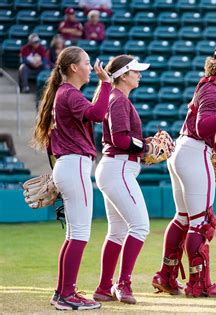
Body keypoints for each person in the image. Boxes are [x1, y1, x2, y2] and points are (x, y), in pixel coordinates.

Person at [151, 37, 216, 298]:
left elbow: (205, 129)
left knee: (183, 219)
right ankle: (199, 284)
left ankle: (166, 275)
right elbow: (203, 127)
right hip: (194, 151)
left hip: (185, 151)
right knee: (202, 223)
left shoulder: (212, 86)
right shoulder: (215, 89)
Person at [31, 46, 112, 310]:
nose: (91, 67)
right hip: (74, 165)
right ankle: (67, 295)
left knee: (74, 235)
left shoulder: (63, 93)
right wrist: (107, 84)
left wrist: (102, 86)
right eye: (87, 63)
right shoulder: (69, 93)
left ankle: (62, 292)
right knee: (79, 234)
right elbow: (99, 115)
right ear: (74, 68)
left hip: (68, 165)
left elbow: (91, 112)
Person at [92, 55, 151, 304]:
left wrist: (141, 146)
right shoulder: (118, 99)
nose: (139, 74)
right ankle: (122, 284)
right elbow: (121, 140)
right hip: (119, 167)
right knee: (140, 226)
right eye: (135, 71)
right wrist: (145, 146)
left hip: (115, 168)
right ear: (124, 75)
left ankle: (104, 287)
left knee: (117, 232)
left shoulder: (118, 98)